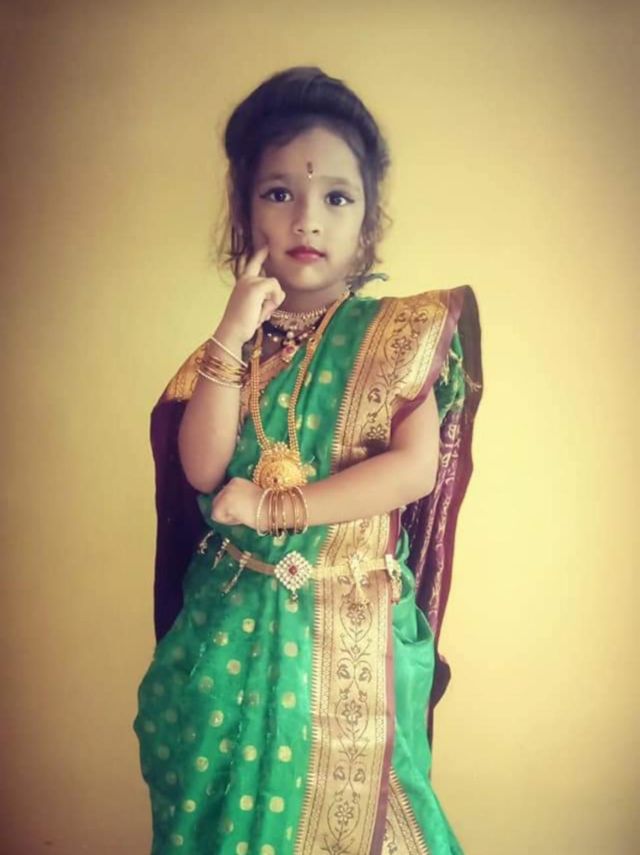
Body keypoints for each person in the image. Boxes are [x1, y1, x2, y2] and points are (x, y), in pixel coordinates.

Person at [133, 66, 483, 855]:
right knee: (222, 815)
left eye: (336, 198)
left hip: (352, 626)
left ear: (368, 223)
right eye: (279, 193)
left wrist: (274, 508)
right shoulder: (227, 354)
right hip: (234, 628)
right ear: (244, 213)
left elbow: (413, 469)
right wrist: (232, 331)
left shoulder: (395, 337)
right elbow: (202, 468)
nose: (307, 219)